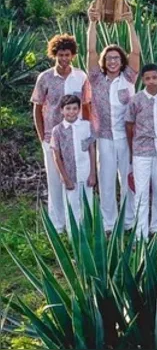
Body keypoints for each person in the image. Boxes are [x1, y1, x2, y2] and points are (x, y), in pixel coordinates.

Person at [87, 6, 141, 232]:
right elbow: (90, 51)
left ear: (121, 61)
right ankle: (109, 224)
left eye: (116, 58)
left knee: (128, 180)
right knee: (107, 182)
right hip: (105, 138)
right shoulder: (97, 79)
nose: (112, 61)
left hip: (126, 138)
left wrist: (130, 23)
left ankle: (129, 222)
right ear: (103, 61)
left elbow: (136, 53)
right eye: (108, 58)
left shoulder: (128, 77)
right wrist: (93, 23)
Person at [31, 34, 91, 233]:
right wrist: (42, 138)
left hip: (76, 136)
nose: (64, 59)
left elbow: (86, 105)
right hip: (52, 137)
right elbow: (37, 108)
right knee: (55, 181)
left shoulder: (81, 77)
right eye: (60, 55)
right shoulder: (45, 78)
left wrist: (87, 131)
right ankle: (57, 225)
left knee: (77, 178)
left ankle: (79, 221)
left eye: (68, 55)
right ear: (54, 54)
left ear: (73, 55)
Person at [126, 64, 157, 240]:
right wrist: (132, 148)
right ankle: (140, 234)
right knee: (141, 192)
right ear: (143, 80)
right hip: (141, 150)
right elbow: (129, 124)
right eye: (147, 78)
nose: (151, 81)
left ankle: (156, 229)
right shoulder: (136, 100)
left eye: (154, 77)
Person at [50, 95, 97, 234]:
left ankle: (89, 233)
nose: (71, 112)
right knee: (71, 204)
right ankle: (73, 236)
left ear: (79, 109)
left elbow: (91, 149)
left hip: (85, 171)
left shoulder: (86, 126)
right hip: (69, 174)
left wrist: (93, 173)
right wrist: (64, 177)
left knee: (87, 202)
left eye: (75, 108)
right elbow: (56, 155)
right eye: (68, 108)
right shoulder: (57, 130)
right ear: (62, 110)